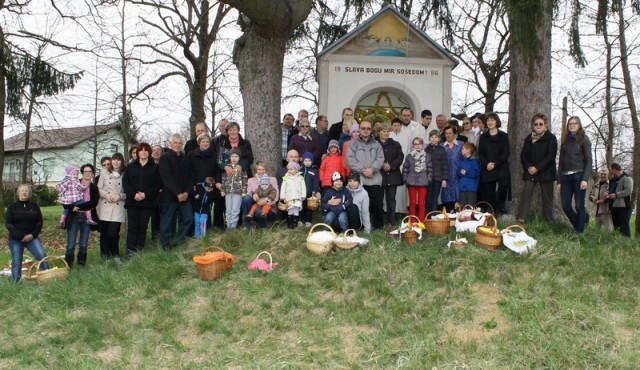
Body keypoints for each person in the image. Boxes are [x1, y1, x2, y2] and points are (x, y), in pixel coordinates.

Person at [516, 113, 558, 224]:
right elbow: (523, 155)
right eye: (536, 124)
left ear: (546, 125)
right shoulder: (529, 139)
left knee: (547, 198)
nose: (538, 126)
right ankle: (521, 218)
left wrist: (538, 168)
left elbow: (551, 156)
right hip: (530, 171)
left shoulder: (551, 138)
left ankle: (549, 221)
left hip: (546, 171)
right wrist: (529, 167)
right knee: (526, 193)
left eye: (541, 124)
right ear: (533, 126)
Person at [5, 184, 49, 283]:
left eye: (26, 191)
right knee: (17, 261)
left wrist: (32, 235)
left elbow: (39, 222)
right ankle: (16, 282)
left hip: (32, 238)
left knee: (41, 255)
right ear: (18, 193)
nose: (24, 192)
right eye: (22, 191)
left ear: (29, 193)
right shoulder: (12, 207)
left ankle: (48, 276)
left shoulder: (34, 206)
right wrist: (21, 236)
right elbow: (9, 224)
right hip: (15, 239)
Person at [346, 120, 385, 230]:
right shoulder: (353, 144)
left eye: (368, 128)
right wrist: (363, 170)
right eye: (363, 128)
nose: (366, 131)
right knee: (358, 205)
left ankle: (378, 227)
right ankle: (359, 226)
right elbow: (349, 160)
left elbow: (380, 158)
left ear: (371, 130)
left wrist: (372, 170)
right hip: (359, 180)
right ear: (359, 129)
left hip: (374, 179)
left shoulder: (377, 144)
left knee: (377, 204)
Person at [123, 143, 161, 255]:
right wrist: (134, 194)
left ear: (149, 152)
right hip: (132, 202)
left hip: (147, 203)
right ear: (138, 152)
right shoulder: (130, 167)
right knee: (132, 228)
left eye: (146, 150)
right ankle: (129, 252)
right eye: (141, 150)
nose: (143, 152)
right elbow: (126, 183)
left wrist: (145, 195)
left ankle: (139, 251)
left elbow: (157, 184)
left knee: (142, 227)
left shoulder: (154, 167)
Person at [215, 121, 254, 227]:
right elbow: (219, 160)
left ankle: (239, 224)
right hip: (227, 178)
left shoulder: (245, 143)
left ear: (238, 130)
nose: (232, 131)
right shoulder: (223, 143)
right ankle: (229, 225)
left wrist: (241, 165)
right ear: (227, 132)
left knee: (239, 201)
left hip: (241, 176)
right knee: (228, 203)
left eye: (234, 129)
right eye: (230, 130)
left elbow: (250, 158)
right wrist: (225, 166)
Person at [159, 134, 194, 249]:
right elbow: (166, 177)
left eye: (180, 143)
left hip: (185, 196)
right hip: (170, 196)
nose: (178, 145)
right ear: (171, 143)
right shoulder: (165, 157)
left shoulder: (185, 158)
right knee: (167, 222)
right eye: (175, 142)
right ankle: (165, 246)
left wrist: (186, 193)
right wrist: (178, 193)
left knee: (188, 218)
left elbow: (190, 177)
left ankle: (177, 242)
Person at [557, 116, 592, 234]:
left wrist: (585, 179)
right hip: (565, 177)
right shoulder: (565, 142)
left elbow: (589, 160)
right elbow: (561, 163)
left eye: (574, 123)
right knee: (565, 206)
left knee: (579, 206)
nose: (572, 125)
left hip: (579, 176)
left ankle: (580, 232)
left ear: (579, 125)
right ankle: (581, 222)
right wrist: (559, 181)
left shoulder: (584, 139)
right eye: (570, 124)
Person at [64, 164, 99, 267]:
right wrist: (71, 207)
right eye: (85, 171)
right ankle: (68, 265)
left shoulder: (94, 187)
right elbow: (65, 199)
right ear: (82, 173)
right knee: (71, 244)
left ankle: (81, 264)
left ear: (92, 174)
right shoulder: (73, 183)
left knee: (83, 244)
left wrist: (79, 207)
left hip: (87, 218)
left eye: (90, 172)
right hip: (73, 217)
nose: (87, 173)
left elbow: (93, 203)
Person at [478, 112, 511, 214]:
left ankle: (501, 206)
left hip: (501, 166)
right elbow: (480, 153)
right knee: (488, 191)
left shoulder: (503, 136)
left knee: (502, 187)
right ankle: (491, 210)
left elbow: (506, 152)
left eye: (492, 120)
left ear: (496, 122)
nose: (490, 122)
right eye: (488, 120)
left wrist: (495, 164)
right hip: (487, 168)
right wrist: (487, 164)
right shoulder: (483, 137)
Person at [97, 152, 126, 260]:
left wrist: (120, 196)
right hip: (105, 206)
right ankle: (105, 257)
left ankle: (115, 255)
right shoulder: (104, 172)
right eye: (114, 159)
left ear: (122, 161)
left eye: (119, 159)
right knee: (104, 233)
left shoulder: (126, 173)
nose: (116, 161)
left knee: (113, 233)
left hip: (118, 206)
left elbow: (129, 191)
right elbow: (99, 188)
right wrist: (106, 195)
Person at [188, 133, 219, 231]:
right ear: (199, 143)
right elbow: (189, 171)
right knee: (196, 207)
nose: (205, 143)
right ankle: (196, 230)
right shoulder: (191, 155)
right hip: (197, 186)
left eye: (207, 141)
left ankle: (206, 229)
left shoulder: (214, 155)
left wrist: (215, 182)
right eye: (203, 141)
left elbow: (217, 170)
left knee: (207, 207)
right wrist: (192, 184)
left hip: (210, 186)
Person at [376, 122, 404, 225]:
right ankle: (379, 222)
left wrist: (391, 165)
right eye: (384, 131)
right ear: (379, 132)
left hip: (392, 176)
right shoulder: (374, 143)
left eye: (388, 131)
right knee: (378, 200)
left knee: (391, 199)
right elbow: (372, 157)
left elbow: (400, 157)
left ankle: (391, 221)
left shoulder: (395, 144)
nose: (386, 133)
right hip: (378, 175)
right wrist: (381, 164)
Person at [242, 161, 280, 228]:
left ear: (266, 170)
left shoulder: (272, 179)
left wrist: (267, 201)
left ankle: (263, 227)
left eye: (263, 169)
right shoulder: (251, 180)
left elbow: (276, 195)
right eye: (259, 169)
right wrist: (254, 195)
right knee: (246, 198)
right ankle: (247, 223)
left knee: (258, 211)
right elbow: (249, 192)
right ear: (256, 170)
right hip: (256, 203)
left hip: (268, 204)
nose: (261, 171)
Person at [403, 137, 433, 220]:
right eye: (415, 144)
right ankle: (412, 221)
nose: (417, 146)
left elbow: (430, 169)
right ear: (413, 145)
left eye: (419, 144)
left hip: (423, 181)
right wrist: (405, 179)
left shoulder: (427, 156)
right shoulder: (409, 156)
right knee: (412, 203)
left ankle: (421, 222)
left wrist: (429, 179)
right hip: (411, 181)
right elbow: (405, 168)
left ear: (422, 145)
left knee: (421, 203)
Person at [218, 149, 247, 229]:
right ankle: (228, 226)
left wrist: (244, 191)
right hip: (227, 192)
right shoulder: (226, 168)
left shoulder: (242, 169)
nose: (234, 158)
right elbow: (223, 180)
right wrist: (223, 190)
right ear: (229, 157)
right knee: (228, 210)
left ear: (239, 158)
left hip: (238, 192)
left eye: (236, 156)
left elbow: (244, 181)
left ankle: (233, 226)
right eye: (232, 156)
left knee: (235, 210)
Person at [605, 163, 633, 237]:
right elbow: (611, 189)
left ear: (614, 169)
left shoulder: (627, 178)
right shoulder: (614, 179)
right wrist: (608, 192)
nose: (610, 171)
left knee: (624, 227)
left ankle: (626, 245)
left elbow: (628, 190)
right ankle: (618, 244)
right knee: (616, 228)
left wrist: (616, 195)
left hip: (623, 207)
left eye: (610, 169)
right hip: (613, 207)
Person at [441, 125, 464, 211]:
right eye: (446, 133)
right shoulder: (441, 146)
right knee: (447, 197)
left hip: (459, 175)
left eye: (450, 133)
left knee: (458, 197)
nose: (448, 135)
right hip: (446, 176)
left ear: (455, 134)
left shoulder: (461, 144)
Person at [425, 130, 449, 212]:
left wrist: (444, 179)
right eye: (432, 137)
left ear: (439, 139)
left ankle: (433, 217)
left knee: (435, 198)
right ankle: (427, 216)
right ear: (429, 138)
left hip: (438, 178)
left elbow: (445, 165)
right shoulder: (426, 150)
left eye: (436, 137)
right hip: (427, 178)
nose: (433, 139)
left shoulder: (442, 150)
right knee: (428, 198)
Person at [280, 161, 306, 228]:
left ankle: (295, 224)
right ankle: (290, 224)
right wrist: (282, 196)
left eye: (291, 169)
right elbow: (283, 187)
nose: (289, 170)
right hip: (289, 197)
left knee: (296, 209)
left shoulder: (301, 178)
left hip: (297, 197)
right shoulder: (285, 177)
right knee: (290, 209)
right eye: (288, 169)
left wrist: (303, 195)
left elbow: (303, 187)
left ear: (296, 170)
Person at [300, 152, 321, 227]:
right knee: (301, 207)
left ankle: (308, 220)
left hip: (310, 193)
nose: (307, 162)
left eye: (309, 160)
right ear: (303, 161)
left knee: (309, 208)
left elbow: (316, 181)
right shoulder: (300, 171)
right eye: (305, 161)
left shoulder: (314, 170)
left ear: (312, 161)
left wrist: (315, 190)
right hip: (301, 193)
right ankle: (300, 220)